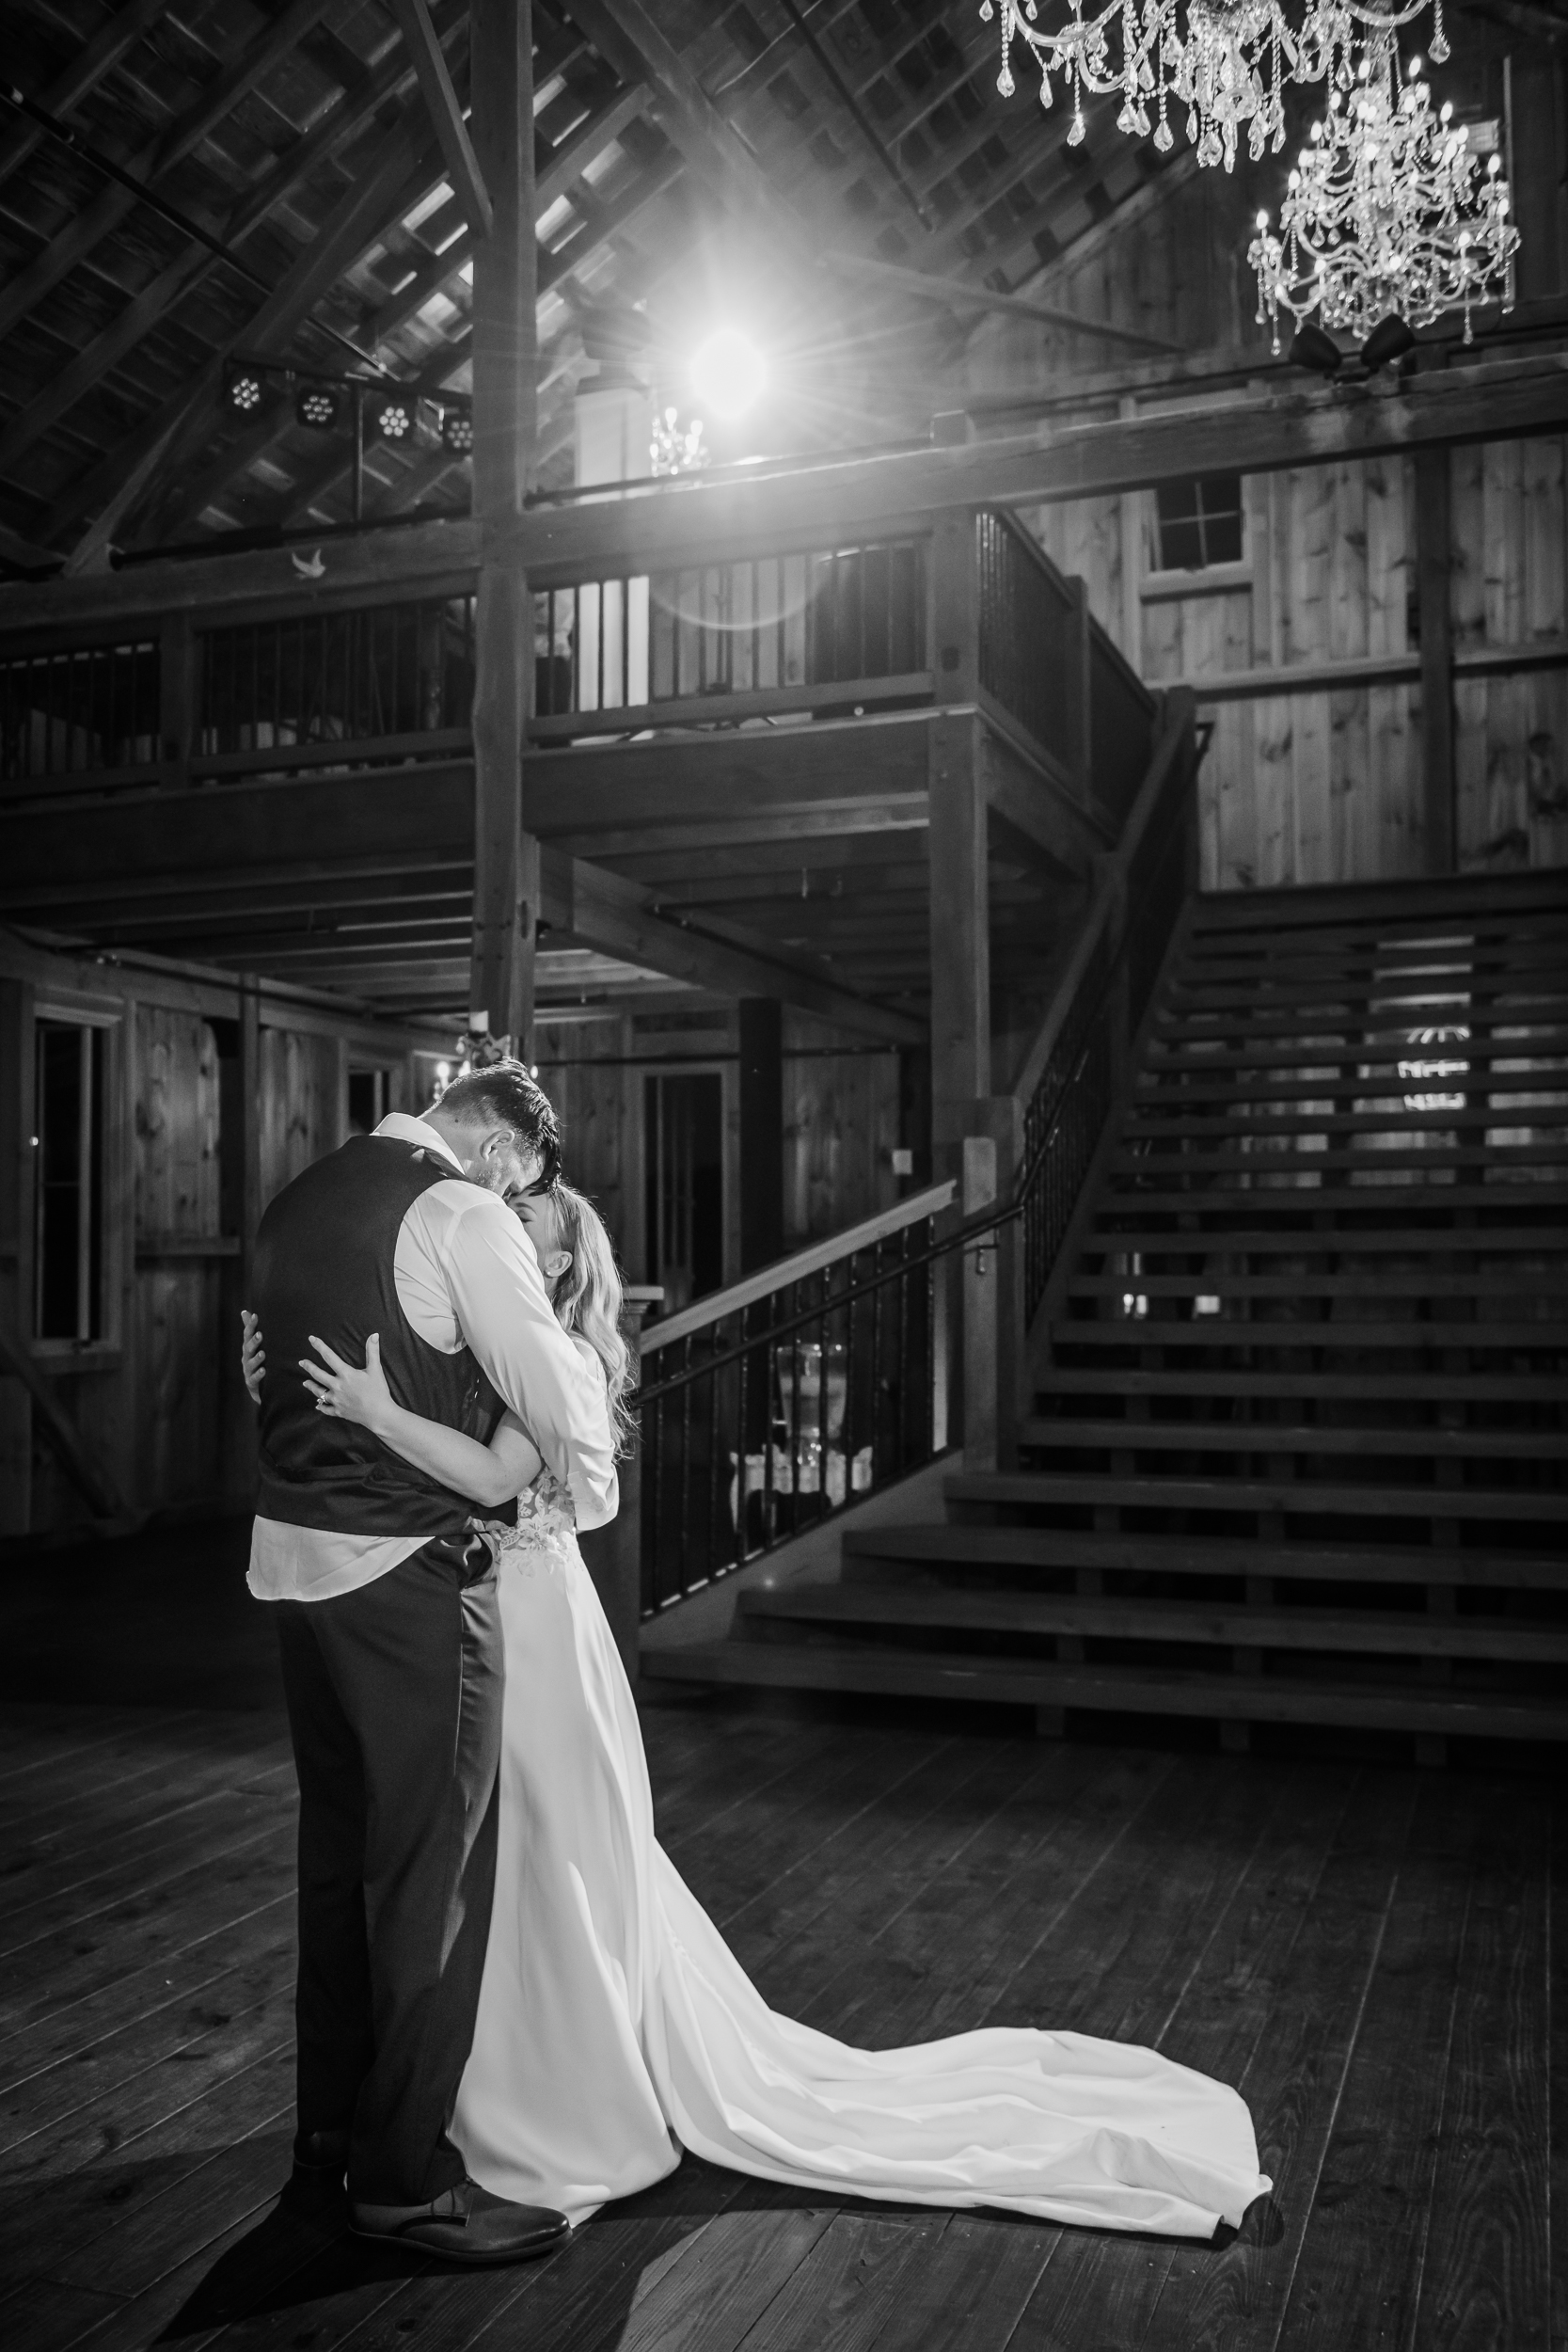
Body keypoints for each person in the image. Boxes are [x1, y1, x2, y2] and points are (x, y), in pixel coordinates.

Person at [249, 1182, 1272, 2243]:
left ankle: (551, 2091)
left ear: (553, 1269)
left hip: (535, 1628)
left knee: (544, 1853)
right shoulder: (487, 1351)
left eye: (521, 1239)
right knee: (488, 1859)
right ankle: (463, 2085)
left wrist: (376, 1412)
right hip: (475, 1611)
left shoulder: (555, 1362)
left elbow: (501, 1478)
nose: (497, 1247)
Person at [243, 1067, 617, 2267]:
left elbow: (267, 1372)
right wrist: (587, 1474)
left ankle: (325, 2137)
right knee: (429, 1880)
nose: (514, 1196)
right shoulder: (457, 1210)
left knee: (334, 1864)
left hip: (295, 1563)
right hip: (407, 1576)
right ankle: (404, 2180)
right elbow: (552, 1382)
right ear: (504, 1145)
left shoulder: (298, 1198)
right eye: (521, 1178)